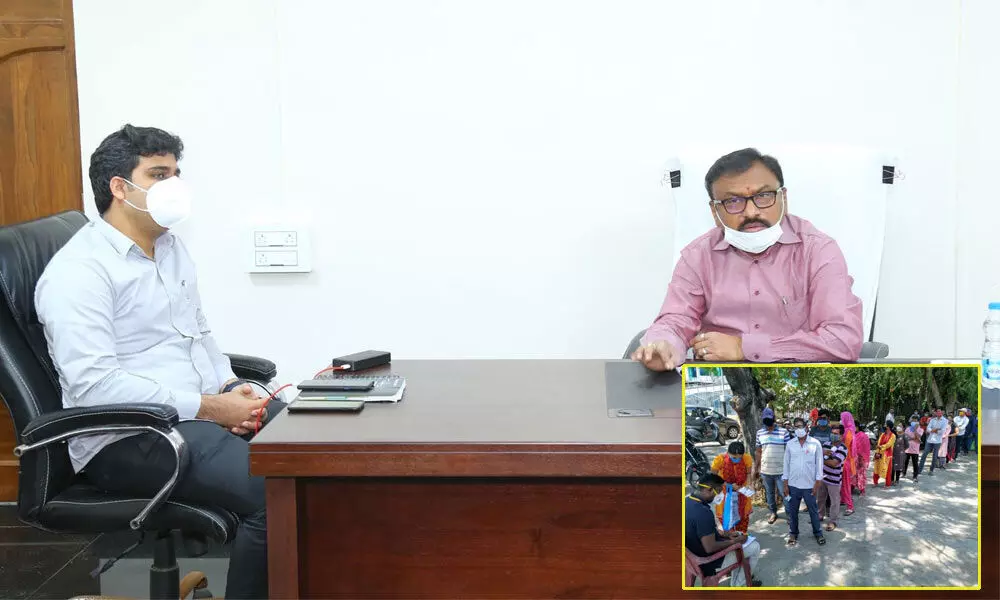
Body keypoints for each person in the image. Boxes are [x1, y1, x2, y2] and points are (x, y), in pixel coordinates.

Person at [34, 125, 277, 599]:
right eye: (159, 174)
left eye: (176, 173)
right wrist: (209, 408)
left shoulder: (169, 247)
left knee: (316, 447)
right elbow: (96, 388)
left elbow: (198, 334)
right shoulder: (78, 273)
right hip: (128, 436)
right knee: (277, 494)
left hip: (193, 414)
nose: (174, 187)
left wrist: (230, 389)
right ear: (119, 187)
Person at [631, 148, 864, 371]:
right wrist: (664, 345)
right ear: (714, 212)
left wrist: (744, 348)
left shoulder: (818, 250)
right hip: (717, 378)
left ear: (783, 197)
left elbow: (843, 339)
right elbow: (675, 321)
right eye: (733, 202)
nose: (751, 212)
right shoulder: (698, 257)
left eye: (763, 196)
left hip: (794, 376)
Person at [685, 474, 762, 587]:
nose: (721, 495)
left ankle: (740, 576)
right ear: (709, 489)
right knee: (754, 547)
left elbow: (700, 530)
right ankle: (739, 585)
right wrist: (736, 542)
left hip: (691, 557)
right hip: (707, 561)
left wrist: (725, 534)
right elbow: (710, 547)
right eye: (719, 491)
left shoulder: (687, 501)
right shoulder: (703, 513)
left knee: (741, 540)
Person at [782, 417, 826, 546]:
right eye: (795, 427)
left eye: (800, 426)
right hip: (793, 485)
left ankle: (818, 533)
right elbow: (786, 464)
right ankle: (793, 533)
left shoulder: (815, 443)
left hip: (809, 485)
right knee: (793, 510)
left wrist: (818, 482)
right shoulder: (790, 444)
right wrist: (785, 483)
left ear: (806, 427)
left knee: (813, 510)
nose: (798, 429)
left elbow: (819, 463)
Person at [753, 407, 791, 524]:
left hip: (781, 471)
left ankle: (790, 514)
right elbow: (759, 451)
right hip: (766, 471)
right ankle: (773, 513)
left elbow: (789, 451)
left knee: (785, 493)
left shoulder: (783, 432)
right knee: (769, 494)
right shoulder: (760, 433)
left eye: (769, 419)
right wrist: (756, 468)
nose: (768, 422)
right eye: (765, 420)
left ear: (774, 419)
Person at [711, 441, 754, 534]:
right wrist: (728, 485)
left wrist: (749, 485)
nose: (737, 460)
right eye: (734, 457)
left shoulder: (747, 458)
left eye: (740, 457)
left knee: (742, 517)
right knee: (726, 517)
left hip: (741, 493)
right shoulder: (720, 460)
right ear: (728, 453)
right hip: (724, 494)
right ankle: (731, 538)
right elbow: (713, 478)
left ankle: (741, 537)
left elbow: (749, 473)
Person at [817, 424, 848, 532]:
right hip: (823, 477)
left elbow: (834, 463)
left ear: (841, 436)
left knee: (835, 501)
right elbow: (818, 456)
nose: (833, 435)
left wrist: (820, 459)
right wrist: (821, 457)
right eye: (832, 433)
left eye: (836, 434)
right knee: (820, 498)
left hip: (834, 480)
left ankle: (833, 521)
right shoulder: (826, 444)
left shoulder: (843, 448)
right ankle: (819, 516)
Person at [839, 411, 859, 515]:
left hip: (845, 461)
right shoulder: (850, 430)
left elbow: (845, 446)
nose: (841, 420)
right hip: (846, 460)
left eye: (842, 418)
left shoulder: (848, 432)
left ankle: (850, 506)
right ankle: (843, 500)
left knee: (845, 484)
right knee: (842, 483)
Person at [919, 408, 948, 476]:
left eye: (939, 411)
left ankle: (931, 470)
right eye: (937, 411)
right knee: (924, 454)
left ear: (942, 412)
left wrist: (933, 430)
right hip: (930, 439)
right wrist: (935, 430)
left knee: (934, 456)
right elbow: (928, 429)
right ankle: (919, 469)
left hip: (937, 441)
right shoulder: (932, 419)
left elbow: (942, 431)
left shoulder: (945, 421)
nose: (938, 413)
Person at [872, 421, 896, 487]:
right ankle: (875, 482)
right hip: (879, 453)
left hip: (887, 455)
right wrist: (878, 446)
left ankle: (887, 484)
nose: (884, 425)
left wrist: (881, 446)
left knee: (888, 469)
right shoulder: (883, 434)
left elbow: (889, 444)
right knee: (876, 467)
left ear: (888, 426)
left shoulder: (893, 435)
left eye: (886, 424)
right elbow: (879, 442)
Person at [903, 414, 923, 482]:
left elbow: (918, 437)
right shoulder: (908, 428)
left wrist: (915, 430)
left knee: (915, 463)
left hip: (915, 449)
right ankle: (903, 473)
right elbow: (905, 437)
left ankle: (915, 476)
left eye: (915, 420)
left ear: (918, 422)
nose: (914, 422)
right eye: (913, 420)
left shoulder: (920, 429)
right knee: (905, 462)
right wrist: (913, 438)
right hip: (907, 448)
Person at [853, 423, 871, 497]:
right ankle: (853, 487)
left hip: (861, 458)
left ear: (857, 427)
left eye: (854, 426)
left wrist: (862, 457)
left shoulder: (863, 436)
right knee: (853, 474)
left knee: (861, 474)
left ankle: (862, 490)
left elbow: (866, 447)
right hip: (853, 458)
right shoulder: (852, 435)